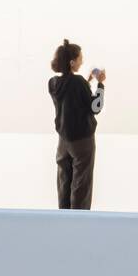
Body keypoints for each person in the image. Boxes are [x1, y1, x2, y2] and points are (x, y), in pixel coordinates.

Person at [48, 39, 105, 210]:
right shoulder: (79, 83)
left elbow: (72, 95)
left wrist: (86, 82)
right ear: (72, 62)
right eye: (80, 58)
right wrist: (101, 83)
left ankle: (64, 218)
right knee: (82, 184)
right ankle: (79, 221)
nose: (82, 61)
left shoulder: (53, 83)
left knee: (64, 181)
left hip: (63, 142)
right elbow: (96, 107)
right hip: (82, 142)